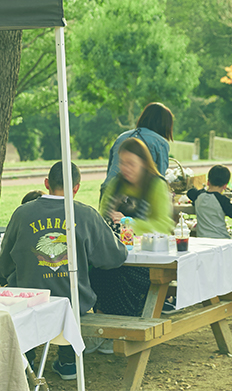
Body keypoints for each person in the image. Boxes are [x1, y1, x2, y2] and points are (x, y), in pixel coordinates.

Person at [0, 162, 127, 381]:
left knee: (24, 287)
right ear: (76, 188)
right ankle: (68, 360)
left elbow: (5, 264)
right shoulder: (86, 214)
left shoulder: (21, 213)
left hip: (30, 301)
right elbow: (114, 256)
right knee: (74, 288)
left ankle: (26, 359)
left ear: (46, 183)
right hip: (74, 302)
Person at [90, 137, 174, 330]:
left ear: (144, 163)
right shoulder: (116, 184)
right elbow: (102, 216)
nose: (125, 168)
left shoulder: (155, 184)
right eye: (122, 163)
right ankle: (103, 327)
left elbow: (163, 224)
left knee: (120, 274)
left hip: (147, 258)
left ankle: (121, 326)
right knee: (99, 270)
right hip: (116, 251)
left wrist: (130, 223)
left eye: (131, 164)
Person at [103, 103, 174, 194]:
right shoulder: (160, 142)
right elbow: (160, 178)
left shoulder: (122, 137)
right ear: (165, 125)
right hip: (138, 197)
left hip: (109, 191)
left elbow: (111, 170)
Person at [187, 165, 232, 239]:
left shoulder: (198, 196)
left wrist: (203, 189)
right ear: (225, 186)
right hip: (221, 239)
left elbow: (190, 192)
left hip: (202, 238)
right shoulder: (223, 200)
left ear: (208, 182)